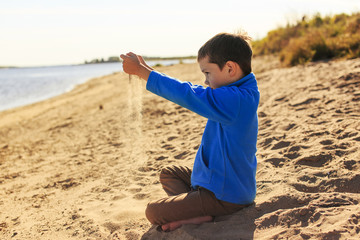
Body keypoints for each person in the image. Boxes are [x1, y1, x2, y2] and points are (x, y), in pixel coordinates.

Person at [120, 32, 259, 232]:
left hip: (226, 195)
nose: (205, 81)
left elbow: (188, 93)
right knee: (169, 173)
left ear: (230, 68)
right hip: (220, 183)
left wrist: (143, 72)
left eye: (208, 73)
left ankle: (201, 216)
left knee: (153, 212)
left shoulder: (235, 100)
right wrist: (145, 69)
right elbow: (191, 90)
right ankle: (198, 212)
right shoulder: (237, 93)